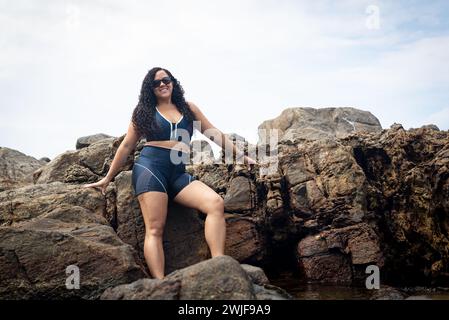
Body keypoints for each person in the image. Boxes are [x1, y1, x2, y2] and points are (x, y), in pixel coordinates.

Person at [83, 67, 257, 279]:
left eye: (166, 80)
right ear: (150, 88)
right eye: (156, 83)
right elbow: (127, 146)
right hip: (151, 169)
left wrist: (241, 155)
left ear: (173, 82)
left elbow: (214, 133)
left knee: (215, 203)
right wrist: (107, 178)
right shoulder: (144, 111)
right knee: (155, 228)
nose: (162, 84)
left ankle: (219, 265)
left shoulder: (189, 108)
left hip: (178, 173)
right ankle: (161, 284)